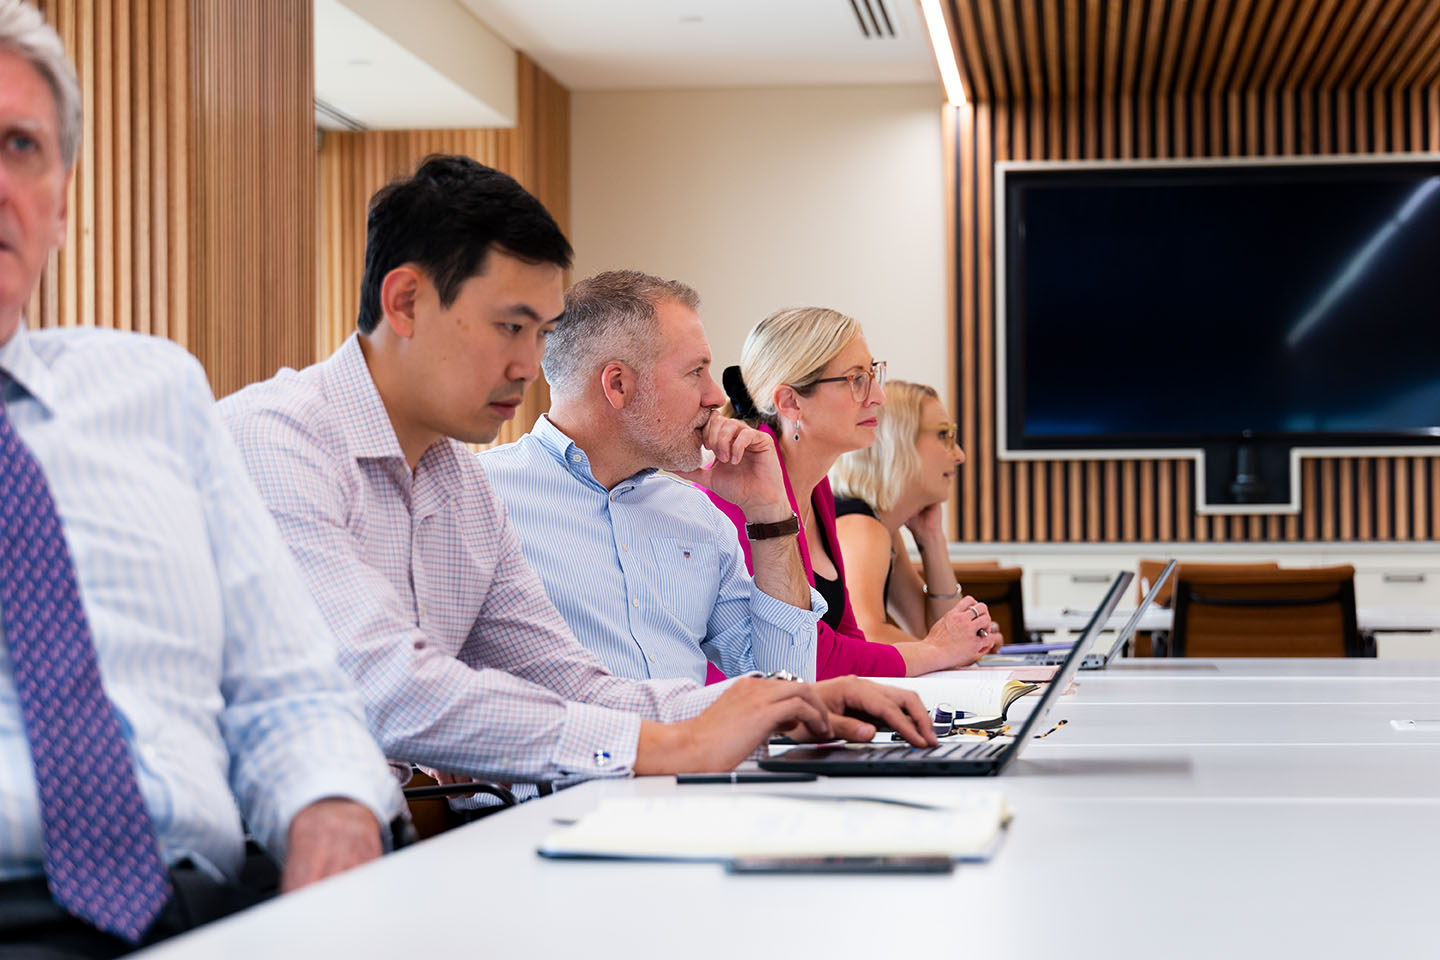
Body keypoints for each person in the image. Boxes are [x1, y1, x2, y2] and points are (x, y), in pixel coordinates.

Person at [219, 157, 938, 793]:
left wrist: (783, 701)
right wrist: (672, 744)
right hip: (242, 851)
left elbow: (574, 685)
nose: (529, 365)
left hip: (389, 831)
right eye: (511, 327)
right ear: (405, 302)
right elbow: (383, 685)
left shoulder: (456, 484)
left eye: (539, 334)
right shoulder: (276, 441)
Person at [0, 3, 403, 954]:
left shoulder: (155, 389)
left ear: (62, 201)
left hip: (201, 912)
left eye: (20, 145)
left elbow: (290, 691)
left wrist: (332, 803)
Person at [482, 270, 822, 685]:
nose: (716, 397)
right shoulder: (480, 500)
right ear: (618, 385)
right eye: (695, 372)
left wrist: (769, 513)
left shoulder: (696, 515)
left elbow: (787, 679)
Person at [708, 308, 1000, 678]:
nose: (878, 396)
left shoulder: (817, 488)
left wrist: (938, 649)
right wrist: (934, 651)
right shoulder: (745, 487)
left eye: (873, 374)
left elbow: (848, 636)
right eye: (856, 379)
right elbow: (804, 655)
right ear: (791, 403)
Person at [830, 380, 987, 648]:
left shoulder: (882, 529)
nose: (959, 455)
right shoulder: (862, 527)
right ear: (897, 441)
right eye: (943, 435)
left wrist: (932, 537)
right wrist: (955, 649)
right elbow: (866, 636)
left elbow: (929, 631)